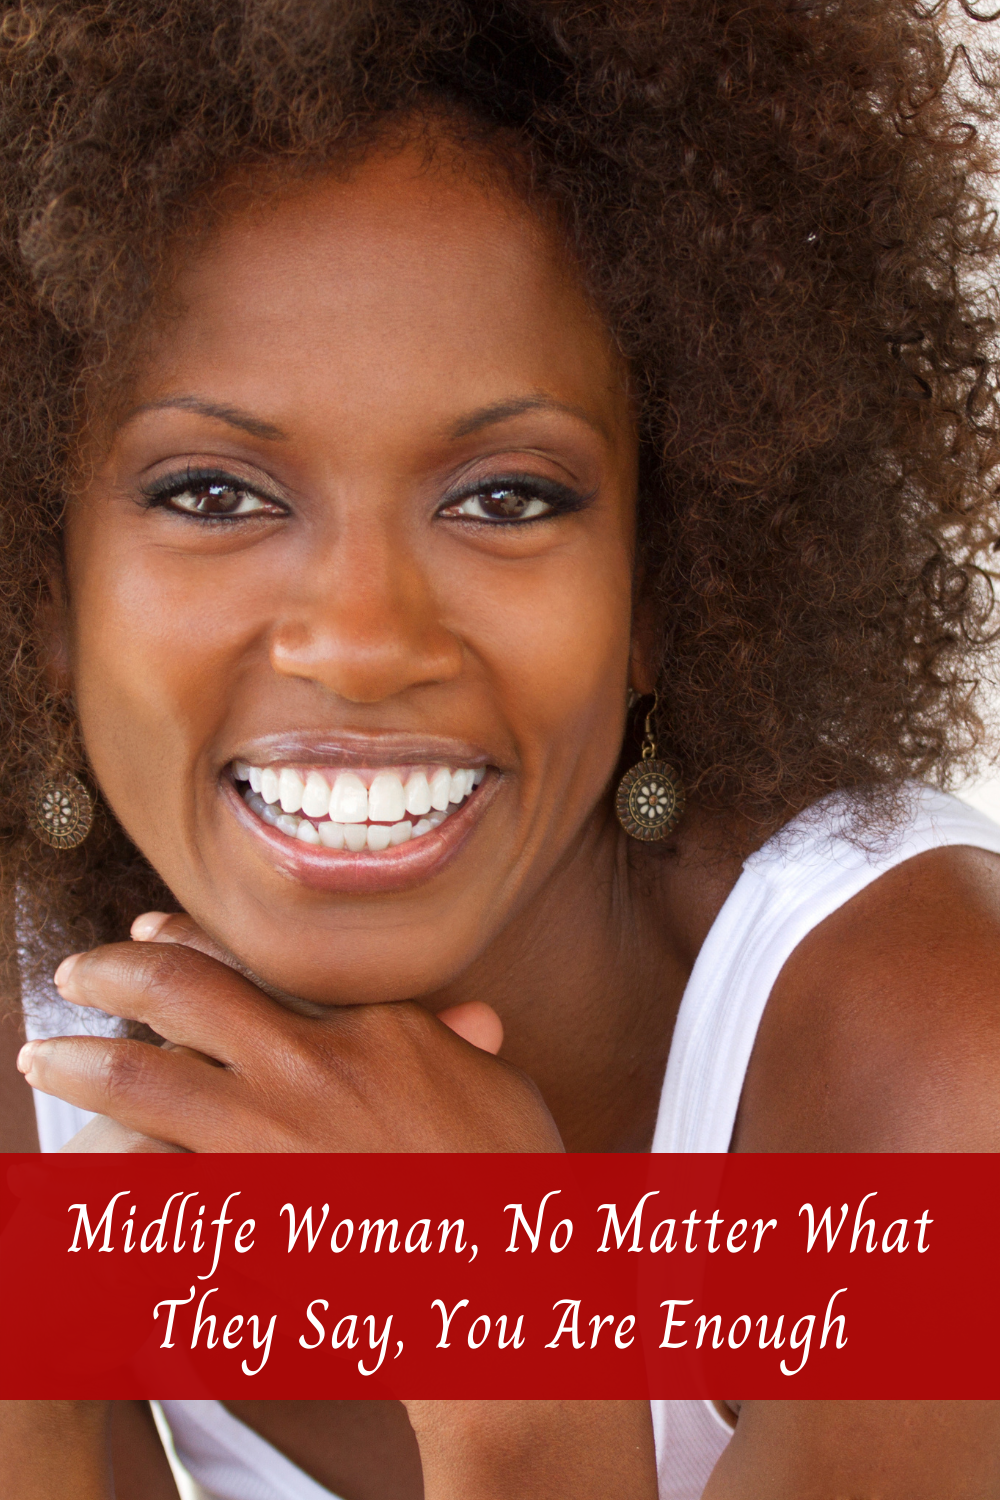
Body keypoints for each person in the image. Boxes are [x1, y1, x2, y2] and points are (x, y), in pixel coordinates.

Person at [1, 1, 1000, 1496]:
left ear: (661, 585)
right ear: (44, 595)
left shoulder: (924, 1084)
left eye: (506, 497)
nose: (360, 637)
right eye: (212, 493)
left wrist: (521, 1370)